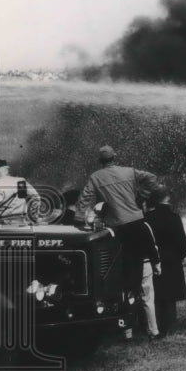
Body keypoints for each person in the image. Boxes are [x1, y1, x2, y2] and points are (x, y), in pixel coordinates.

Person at [76, 146, 161, 340]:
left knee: (123, 278)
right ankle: (151, 328)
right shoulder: (130, 171)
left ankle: (127, 330)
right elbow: (153, 179)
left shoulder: (96, 177)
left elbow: (85, 199)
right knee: (142, 275)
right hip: (137, 223)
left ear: (100, 161)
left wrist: (79, 219)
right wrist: (142, 197)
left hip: (118, 229)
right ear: (115, 157)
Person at [145, 184, 186, 337]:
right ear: (167, 198)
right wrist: (180, 255)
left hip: (153, 259)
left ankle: (154, 323)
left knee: (154, 293)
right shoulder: (174, 218)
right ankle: (169, 323)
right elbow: (182, 243)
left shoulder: (148, 218)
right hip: (172, 259)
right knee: (170, 294)